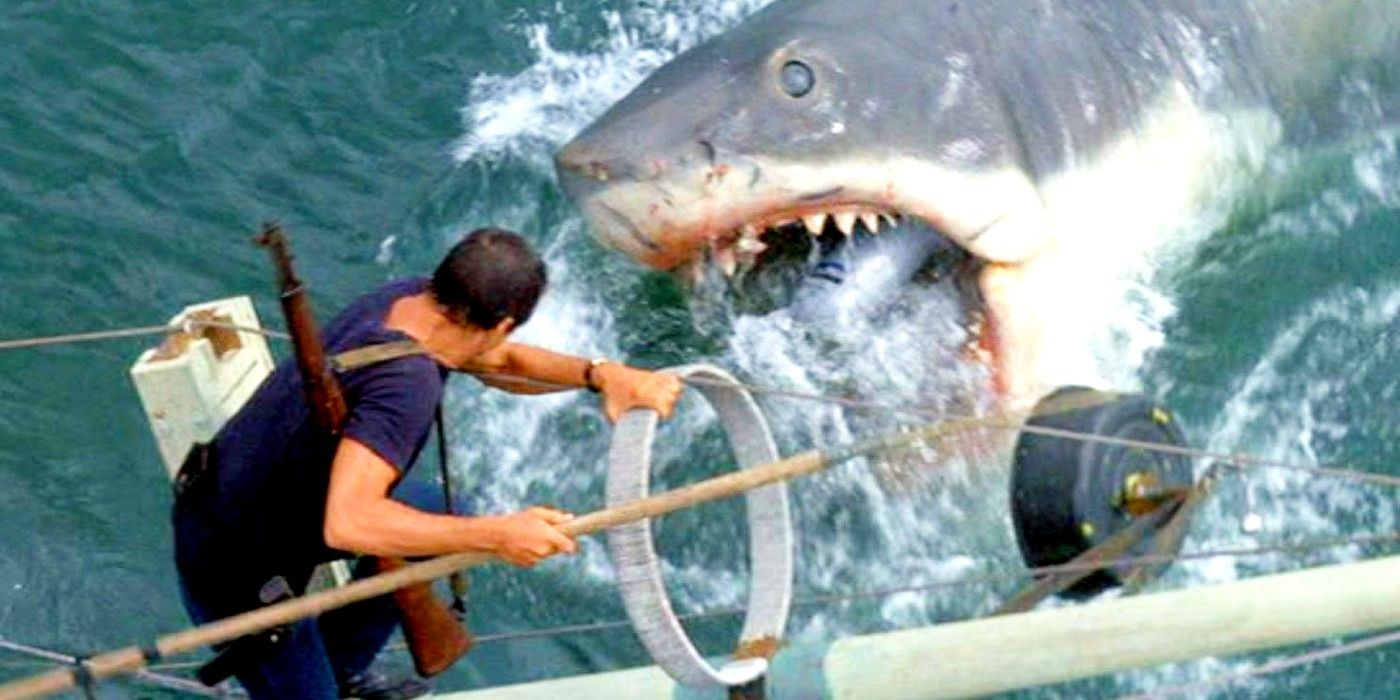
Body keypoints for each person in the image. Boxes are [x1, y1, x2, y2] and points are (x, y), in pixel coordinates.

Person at [172, 227, 682, 699]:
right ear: (502, 322)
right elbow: (350, 521)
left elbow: (501, 361)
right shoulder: (407, 385)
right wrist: (498, 534)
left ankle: (342, 668)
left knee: (443, 512)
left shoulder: (409, 301)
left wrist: (601, 374)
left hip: (251, 500)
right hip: (233, 566)